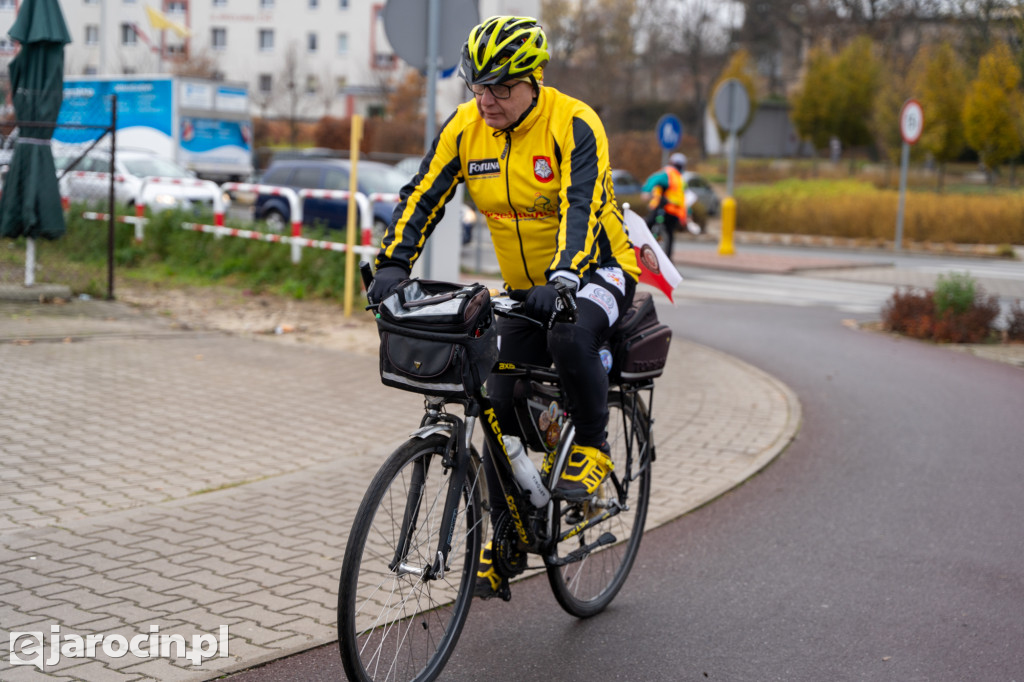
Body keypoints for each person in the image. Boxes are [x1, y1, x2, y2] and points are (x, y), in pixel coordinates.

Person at [367, 15, 641, 599]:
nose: (486, 99)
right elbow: (423, 194)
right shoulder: (467, 127)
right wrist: (392, 262)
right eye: (477, 85)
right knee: (497, 401)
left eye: (501, 87)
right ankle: (511, 540)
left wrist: (566, 276)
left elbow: (581, 205)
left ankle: (591, 444)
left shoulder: (573, 123)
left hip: (597, 268)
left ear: (533, 78)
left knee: (570, 335)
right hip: (524, 288)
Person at [642, 152, 695, 258]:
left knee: (648, 225)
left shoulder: (668, 173)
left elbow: (653, 180)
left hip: (665, 208)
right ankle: (668, 259)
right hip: (675, 212)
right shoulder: (681, 179)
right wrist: (688, 213)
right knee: (670, 235)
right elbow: (685, 198)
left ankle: (642, 243)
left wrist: (646, 192)